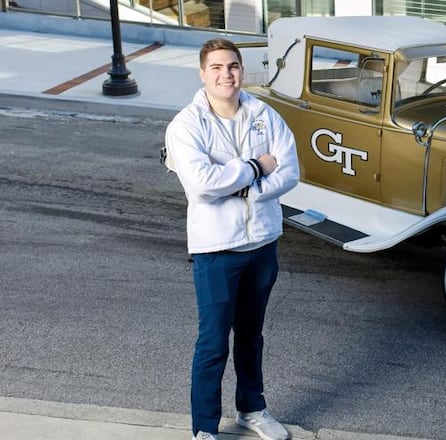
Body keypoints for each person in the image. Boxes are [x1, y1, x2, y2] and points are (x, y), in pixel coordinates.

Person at [165, 38, 299, 440]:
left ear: (242, 70)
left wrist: (242, 186)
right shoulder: (187, 125)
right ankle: (204, 428)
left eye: (234, 66)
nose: (227, 74)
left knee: (251, 336)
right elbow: (203, 185)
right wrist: (258, 167)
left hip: (261, 244)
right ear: (203, 73)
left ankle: (252, 409)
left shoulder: (265, 115)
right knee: (212, 342)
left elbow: (290, 172)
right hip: (216, 250)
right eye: (218, 67)